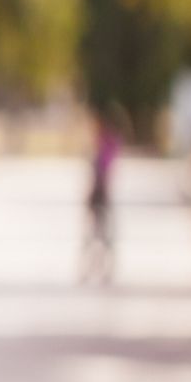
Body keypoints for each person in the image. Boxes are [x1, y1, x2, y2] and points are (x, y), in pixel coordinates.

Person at [83, 113, 120, 285]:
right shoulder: (109, 145)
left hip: (100, 193)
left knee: (98, 235)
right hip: (101, 193)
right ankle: (97, 269)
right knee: (98, 235)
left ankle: (98, 269)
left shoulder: (106, 145)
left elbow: (101, 172)